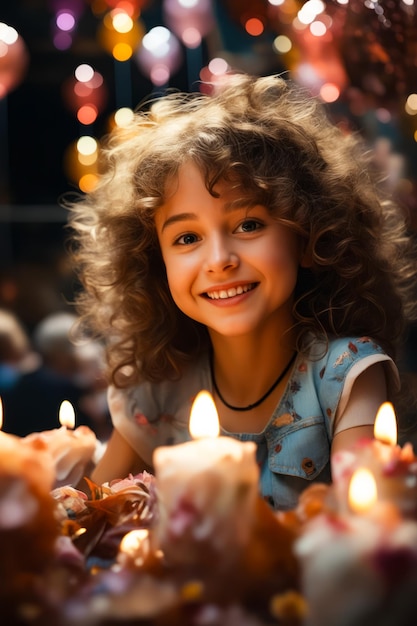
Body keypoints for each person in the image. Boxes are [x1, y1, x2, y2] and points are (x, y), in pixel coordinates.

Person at [66, 73, 417, 510]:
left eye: (248, 225)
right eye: (186, 238)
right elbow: (78, 521)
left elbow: (359, 530)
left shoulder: (346, 376)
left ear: (308, 238)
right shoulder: (155, 392)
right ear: (157, 264)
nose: (218, 259)